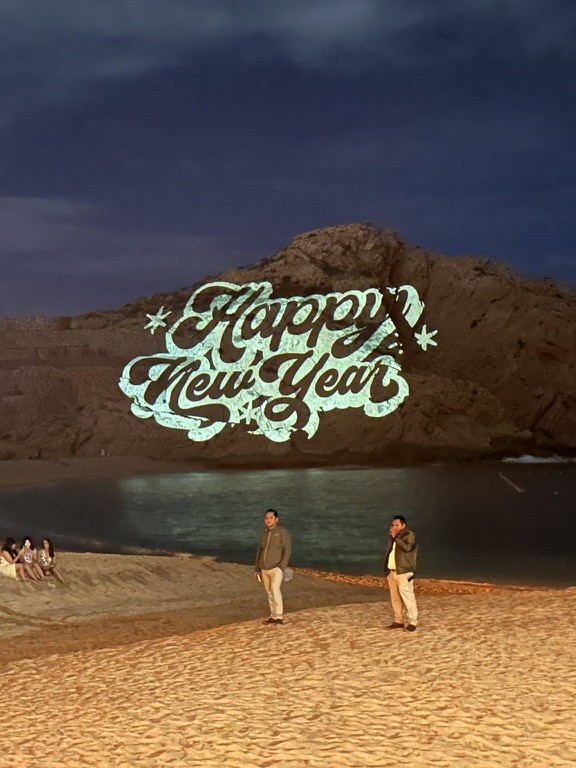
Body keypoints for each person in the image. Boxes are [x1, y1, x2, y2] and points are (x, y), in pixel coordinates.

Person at [254, 509, 291, 625]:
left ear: (276, 520)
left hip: (276, 568)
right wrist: (257, 569)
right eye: (266, 518)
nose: (268, 520)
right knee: (269, 593)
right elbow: (259, 552)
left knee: (275, 590)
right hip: (264, 568)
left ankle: (279, 616)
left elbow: (287, 550)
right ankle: (273, 615)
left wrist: (282, 566)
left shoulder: (282, 532)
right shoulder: (264, 534)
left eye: (270, 518)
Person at [384, 515, 418, 631]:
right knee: (395, 598)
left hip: (404, 571)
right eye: (393, 525)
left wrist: (395, 538)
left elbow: (408, 548)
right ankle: (398, 620)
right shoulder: (393, 537)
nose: (394, 527)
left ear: (403, 525)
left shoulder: (409, 535)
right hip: (392, 572)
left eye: (397, 525)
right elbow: (389, 553)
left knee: (408, 597)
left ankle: (413, 622)